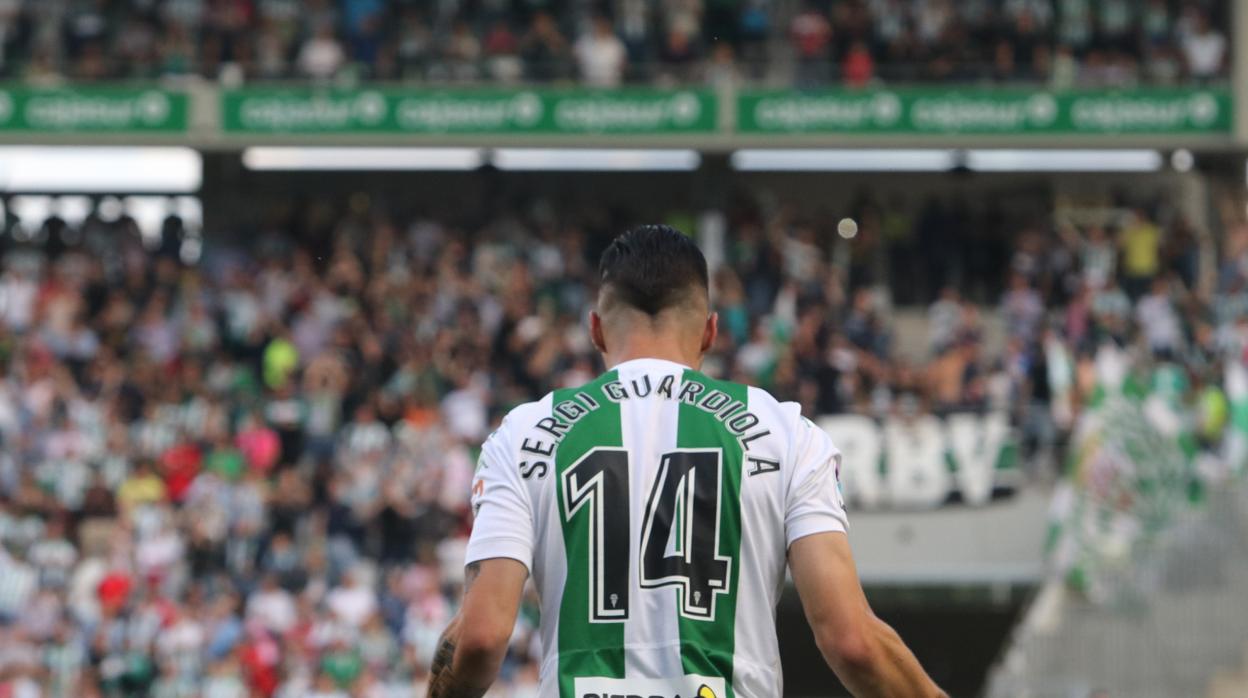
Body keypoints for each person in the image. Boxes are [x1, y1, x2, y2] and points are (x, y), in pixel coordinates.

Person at [427, 225, 943, 697]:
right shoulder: (787, 434)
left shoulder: (524, 435)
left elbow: (480, 640)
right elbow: (851, 641)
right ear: (711, 332)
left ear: (597, 330)